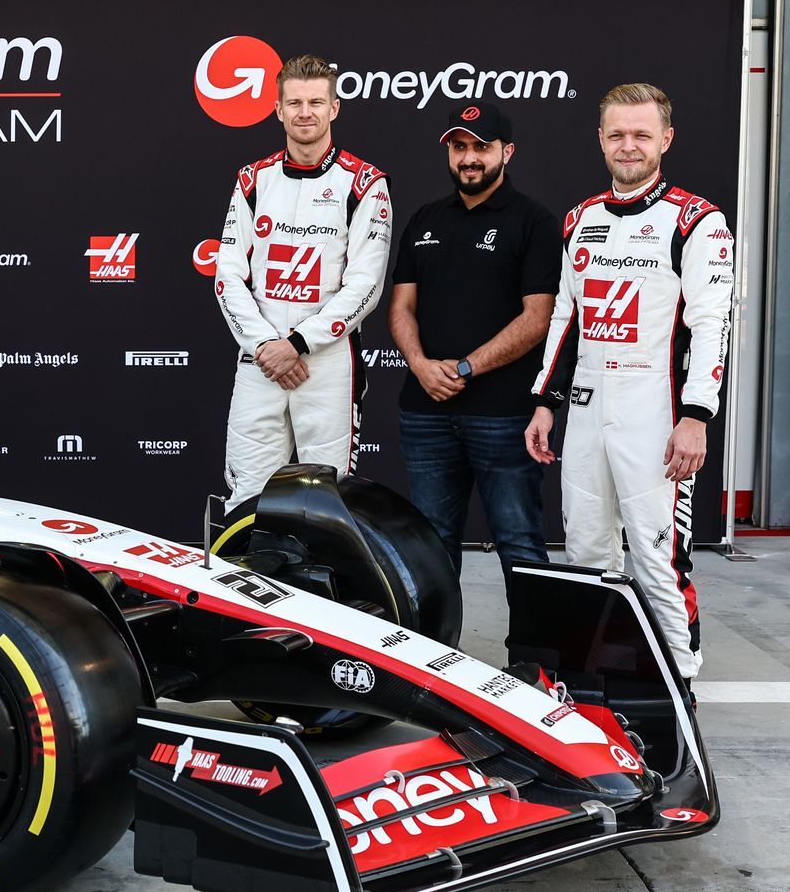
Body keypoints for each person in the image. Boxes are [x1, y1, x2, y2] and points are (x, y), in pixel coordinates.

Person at [525, 83, 735, 681]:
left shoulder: (697, 221)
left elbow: (711, 325)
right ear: (600, 139)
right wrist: (545, 402)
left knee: (656, 555)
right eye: (617, 134)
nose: (628, 146)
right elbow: (566, 320)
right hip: (589, 405)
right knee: (586, 552)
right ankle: (594, 677)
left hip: (656, 408)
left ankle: (680, 682)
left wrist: (696, 416)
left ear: (666, 139)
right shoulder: (580, 219)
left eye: (642, 134)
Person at [387, 101, 560, 621]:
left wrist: (464, 368)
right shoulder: (425, 218)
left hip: (503, 414)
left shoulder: (534, 221)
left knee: (519, 541)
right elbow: (401, 307)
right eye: (459, 147)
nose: (469, 158)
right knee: (430, 544)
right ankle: (431, 652)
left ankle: (533, 657)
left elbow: (538, 318)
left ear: (507, 152)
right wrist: (420, 364)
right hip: (426, 411)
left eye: (482, 147)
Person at [215, 54, 393, 509]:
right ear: (278, 110)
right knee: (248, 494)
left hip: (327, 364)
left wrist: (296, 344)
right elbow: (228, 276)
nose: (305, 113)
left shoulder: (364, 183)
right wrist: (266, 346)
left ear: (334, 108)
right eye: (294, 103)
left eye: (316, 102)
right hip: (260, 361)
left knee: (326, 500)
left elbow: (366, 286)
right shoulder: (253, 180)